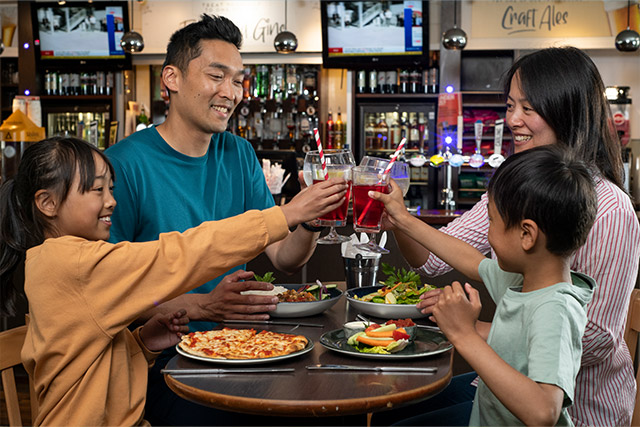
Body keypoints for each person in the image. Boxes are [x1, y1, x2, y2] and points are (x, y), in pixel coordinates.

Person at [104, 14, 349, 425]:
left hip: (244, 344)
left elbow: (284, 258)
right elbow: (110, 288)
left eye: (237, 81)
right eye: (217, 76)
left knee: (329, 404)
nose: (230, 92)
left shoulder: (238, 154)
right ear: (172, 78)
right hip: (163, 355)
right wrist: (202, 306)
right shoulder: (124, 164)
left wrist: (310, 220)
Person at [0, 136, 345, 425]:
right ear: (46, 203)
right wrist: (286, 213)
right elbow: (181, 253)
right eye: (96, 191)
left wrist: (140, 343)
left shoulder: (62, 259)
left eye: (110, 189)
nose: (111, 202)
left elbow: (86, 359)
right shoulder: (74, 263)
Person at [388, 46, 640, 426]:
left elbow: (596, 339)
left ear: (567, 114)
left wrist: (471, 331)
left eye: (528, 108)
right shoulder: (519, 186)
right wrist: (402, 219)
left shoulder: (610, 208)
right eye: (510, 106)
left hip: (579, 409)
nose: (512, 120)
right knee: (396, 407)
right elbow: (445, 260)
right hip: (499, 384)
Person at [372, 145, 598, 425]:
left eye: (491, 219)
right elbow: (471, 260)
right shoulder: (527, 280)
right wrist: (403, 220)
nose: (488, 231)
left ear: (527, 234)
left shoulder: (556, 308)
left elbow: (543, 413)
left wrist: (464, 334)